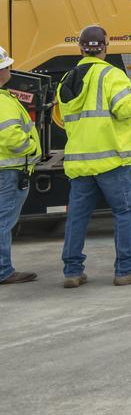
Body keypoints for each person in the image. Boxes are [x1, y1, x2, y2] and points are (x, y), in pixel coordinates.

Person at [58, 25, 131, 287]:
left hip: (79, 162)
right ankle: (126, 269)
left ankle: (72, 272)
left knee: (77, 217)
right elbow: (125, 109)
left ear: (80, 48)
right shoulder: (112, 75)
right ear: (105, 46)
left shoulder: (67, 79)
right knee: (125, 212)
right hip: (112, 159)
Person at [0, 47, 41, 285]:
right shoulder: (2, 102)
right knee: (4, 220)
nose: (9, 70)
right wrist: (31, 149)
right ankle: (3, 270)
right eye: (6, 67)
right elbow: (10, 136)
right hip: (9, 170)